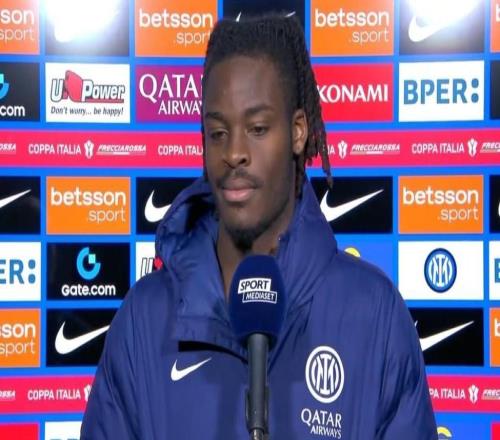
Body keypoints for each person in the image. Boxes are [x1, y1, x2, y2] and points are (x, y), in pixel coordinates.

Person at [81, 14, 437, 439]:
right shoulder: (144, 318)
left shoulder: (373, 313)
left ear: (298, 132)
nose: (234, 152)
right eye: (217, 132)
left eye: (257, 128)